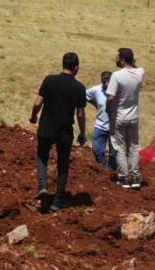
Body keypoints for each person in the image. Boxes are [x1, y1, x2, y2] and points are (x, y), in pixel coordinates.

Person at [30, 52, 87, 211]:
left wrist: (33, 116)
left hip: (46, 126)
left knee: (42, 155)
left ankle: (42, 186)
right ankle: (58, 200)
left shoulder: (50, 80)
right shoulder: (79, 88)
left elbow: (38, 102)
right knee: (63, 164)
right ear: (76, 67)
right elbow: (80, 113)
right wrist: (82, 133)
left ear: (63, 64)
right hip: (65, 130)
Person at [105, 48, 144, 190]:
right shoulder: (140, 73)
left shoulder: (117, 76)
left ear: (121, 59)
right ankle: (135, 176)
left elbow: (111, 97)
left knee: (120, 147)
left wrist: (108, 109)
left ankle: (123, 177)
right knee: (134, 146)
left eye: (118, 57)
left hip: (119, 117)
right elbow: (136, 65)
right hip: (134, 117)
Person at [84, 71, 114, 168]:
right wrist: (95, 103)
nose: (106, 82)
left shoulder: (118, 90)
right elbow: (84, 95)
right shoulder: (96, 90)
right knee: (97, 149)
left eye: (108, 79)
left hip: (115, 126)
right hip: (100, 125)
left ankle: (111, 169)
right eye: (104, 79)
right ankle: (103, 164)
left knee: (114, 151)